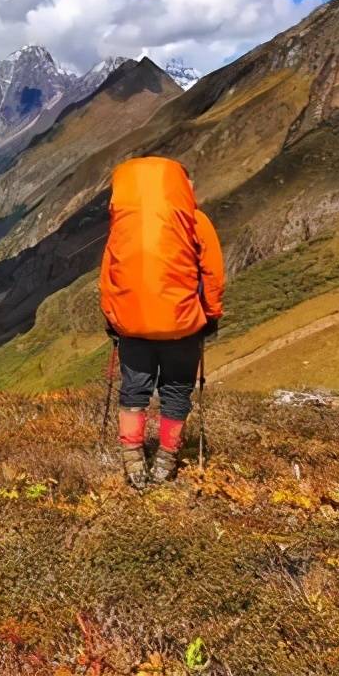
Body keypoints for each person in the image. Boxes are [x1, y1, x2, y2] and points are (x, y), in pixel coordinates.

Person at [99, 156, 224, 489]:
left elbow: (109, 277)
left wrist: (113, 318)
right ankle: (166, 462)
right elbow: (212, 274)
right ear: (179, 186)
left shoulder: (123, 226)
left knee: (134, 391)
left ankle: (133, 462)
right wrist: (210, 315)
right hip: (182, 325)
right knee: (176, 392)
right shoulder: (196, 222)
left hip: (132, 325)